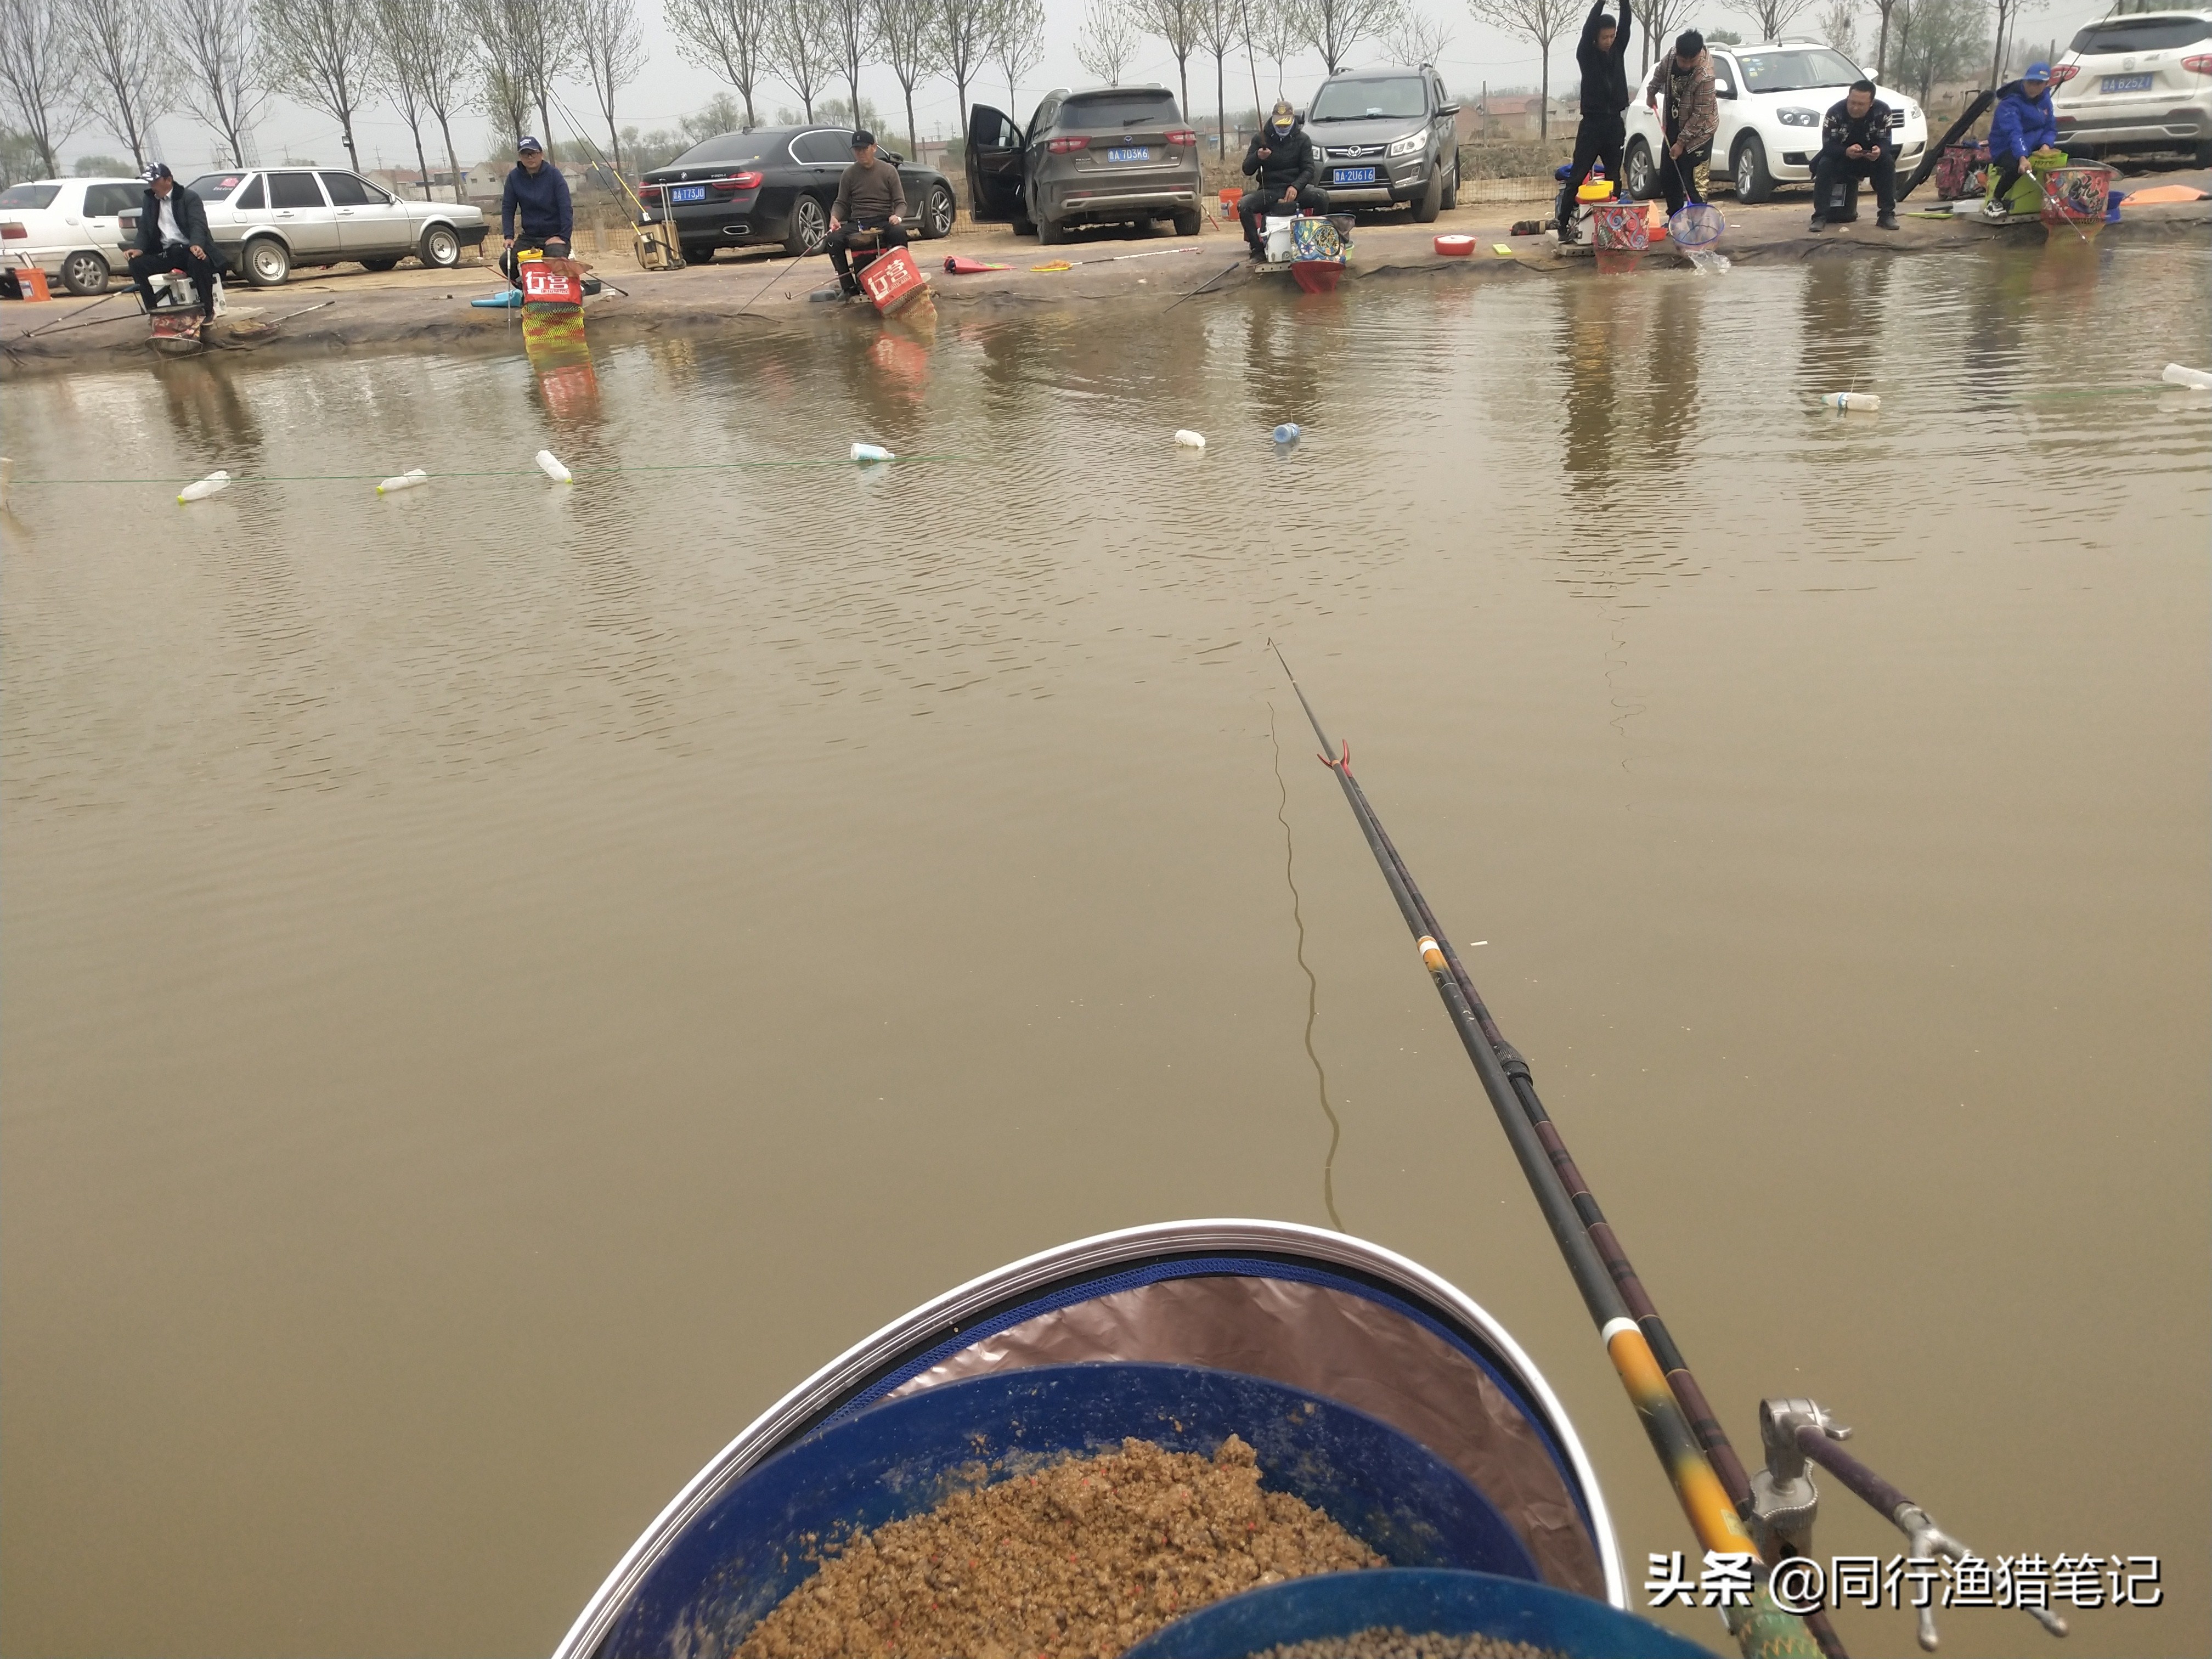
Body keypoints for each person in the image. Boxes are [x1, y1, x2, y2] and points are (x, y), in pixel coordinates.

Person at [1556, 0, 1633, 242]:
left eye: (1612, 36)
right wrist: (1600, 3)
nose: (1609, 41)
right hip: (1592, 124)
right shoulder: (1586, 54)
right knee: (1577, 176)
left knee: (1614, 177)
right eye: (1604, 37)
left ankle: (1611, 229)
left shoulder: (1618, 50)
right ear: (1596, 38)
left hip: (1614, 124)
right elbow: (1589, 26)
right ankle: (1563, 225)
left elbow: (1627, 23)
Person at [127, 164, 219, 337]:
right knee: (137, 264)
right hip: (167, 252)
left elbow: (198, 224)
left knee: (199, 260)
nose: (152, 186)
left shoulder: (189, 197)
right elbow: (145, 227)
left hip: (188, 250)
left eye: (155, 181)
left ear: (168, 180)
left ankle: (208, 310)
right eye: (150, 182)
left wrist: (197, 244)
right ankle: (154, 311)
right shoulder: (150, 200)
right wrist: (139, 248)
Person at [825, 130, 910, 298]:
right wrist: (835, 217)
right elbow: (841, 202)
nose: (861, 153)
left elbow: (901, 202)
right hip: (859, 222)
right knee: (833, 240)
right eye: (857, 150)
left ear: (874, 148)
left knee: (899, 233)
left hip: (883, 219)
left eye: (864, 149)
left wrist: (898, 216)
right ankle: (849, 287)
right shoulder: (849, 174)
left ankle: (903, 278)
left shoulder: (888, 171)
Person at [1238, 100, 1328, 258]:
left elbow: (1309, 170)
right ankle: (1257, 249)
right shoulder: (1260, 139)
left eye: (1286, 124)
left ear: (1293, 119)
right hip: (1269, 190)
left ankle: (1315, 240)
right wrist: (1258, 157)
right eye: (1279, 124)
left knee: (1322, 196)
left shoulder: (1303, 140)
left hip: (1296, 189)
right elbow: (1247, 169)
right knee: (1244, 205)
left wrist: (1296, 186)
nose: (1282, 128)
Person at [1809, 80, 1899, 230]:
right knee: (1825, 164)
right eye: (1852, 102)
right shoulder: (1835, 113)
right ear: (1848, 98)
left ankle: (1887, 215)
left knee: (1888, 162)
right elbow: (1828, 146)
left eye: (1861, 104)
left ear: (1871, 103)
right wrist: (1846, 152)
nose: (1855, 108)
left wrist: (1879, 151)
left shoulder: (1883, 111)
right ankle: (1820, 217)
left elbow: (1886, 141)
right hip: (1842, 158)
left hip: (1869, 159)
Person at [1649, 30, 1717, 215]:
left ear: (1698, 54)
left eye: (1691, 61)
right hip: (1673, 126)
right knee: (1668, 177)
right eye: (1683, 61)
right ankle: (1675, 219)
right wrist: (1651, 92)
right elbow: (1660, 73)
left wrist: (1681, 143)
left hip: (1699, 135)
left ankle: (1698, 223)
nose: (1686, 66)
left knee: (1694, 182)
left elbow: (1700, 115)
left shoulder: (1706, 75)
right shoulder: (1672, 56)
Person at [1983, 63, 2059, 220]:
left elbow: (2050, 127)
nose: (2033, 87)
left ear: (2046, 84)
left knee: (2080, 151)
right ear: (2024, 81)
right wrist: (2022, 157)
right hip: (2006, 147)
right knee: (2016, 166)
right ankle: (1995, 200)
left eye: (2039, 83)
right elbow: (2014, 132)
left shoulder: (2045, 100)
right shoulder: (2009, 103)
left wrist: (2046, 145)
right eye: (2030, 82)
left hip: (2035, 145)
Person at [500, 136, 573, 279]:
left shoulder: (554, 175)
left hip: (554, 235)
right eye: (525, 154)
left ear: (541, 154)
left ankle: (558, 290)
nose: (530, 157)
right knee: (506, 261)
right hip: (529, 237)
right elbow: (508, 208)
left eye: (533, 153)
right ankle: (522, 288)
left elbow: (565, 207)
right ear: (520, 157)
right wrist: (509, 236)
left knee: (555, 258)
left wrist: (563, 236)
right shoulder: (514, 178)